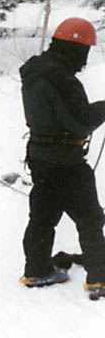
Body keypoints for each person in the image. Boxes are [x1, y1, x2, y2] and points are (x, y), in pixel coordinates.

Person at [18, 17, 105, 300]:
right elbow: (80, 122)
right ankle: (99, 280)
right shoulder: (64, 80)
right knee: (90, 219)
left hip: (40, 156)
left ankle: (37, 269)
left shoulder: (35, 73)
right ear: (75, 48)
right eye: (85, 52)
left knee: (42, 217)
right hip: (66, 159)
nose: (85, 59)